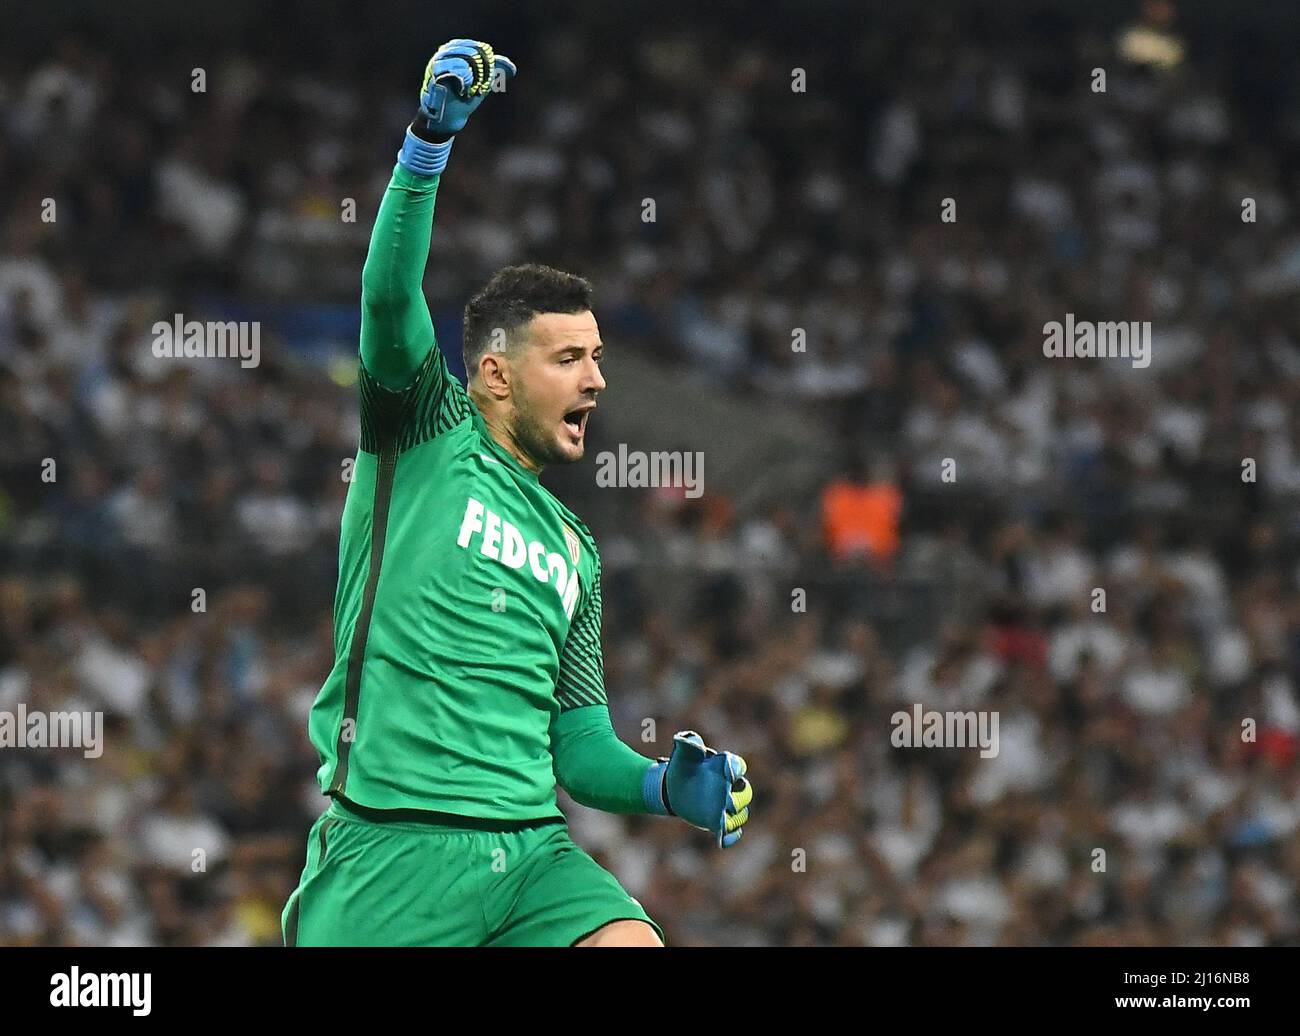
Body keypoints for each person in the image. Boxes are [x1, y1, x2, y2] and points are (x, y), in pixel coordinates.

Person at [281, 39, 753, 947]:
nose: (597, 380)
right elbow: (386, 298)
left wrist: (663, 786)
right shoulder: (422, 430)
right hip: (391, 857)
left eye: (599, 358)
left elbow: (576, 747)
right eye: (570, 358)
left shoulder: (576, 548)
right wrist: (426, 147)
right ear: (494, 374)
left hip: (532, 856)